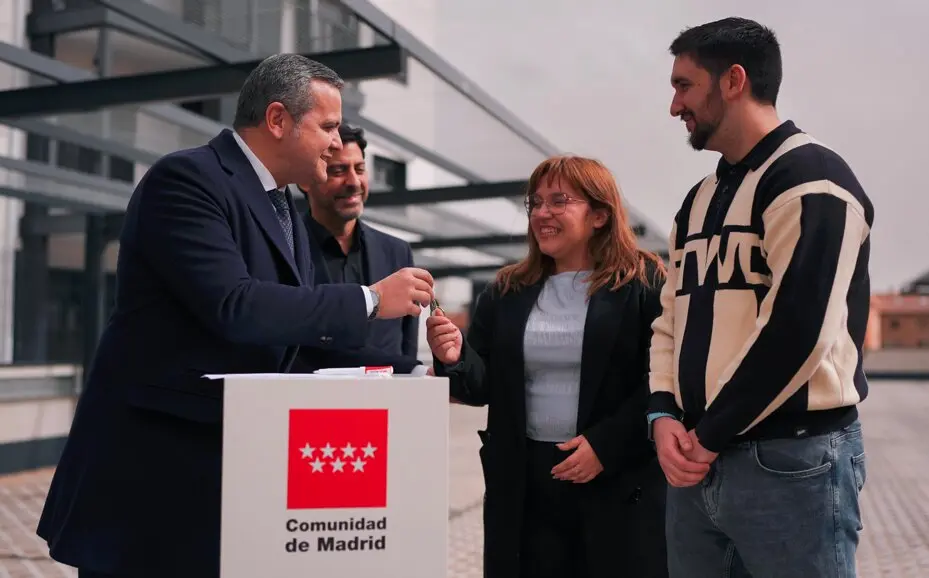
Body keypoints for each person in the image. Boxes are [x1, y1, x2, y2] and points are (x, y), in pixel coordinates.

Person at [35, 54, 434, 578]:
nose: (338, 144)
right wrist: (372, 299)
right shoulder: (186, 179)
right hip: (152, 485)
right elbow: (236, 306)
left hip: (218, 483)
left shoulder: (283, 206)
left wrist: (415, 375)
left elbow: (296, 334)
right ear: (276, 120)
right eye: (329, 127)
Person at [648, 17, 873, 578]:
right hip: (695, 463)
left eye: (683, 85)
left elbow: (799, 333)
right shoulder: (698, 201)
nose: (674, 106)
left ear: (733, 81)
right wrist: (661, 413)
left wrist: (708, 433)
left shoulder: (813, 179)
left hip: (790, 463)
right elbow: (668, 319)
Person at [428, 156, 669, 578]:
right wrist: (453, 357)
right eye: (535, 203)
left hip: (614, 475)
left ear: (599, 214)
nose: (542, 213)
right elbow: (482, 384)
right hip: (525, 479)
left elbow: (663, 376)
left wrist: (606, 446)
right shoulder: (507, 289)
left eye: (559, 201)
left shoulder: (643, 281)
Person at [290, 123, 422, 374]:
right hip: (310, 405)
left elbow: (407, 345)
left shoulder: (397, 252)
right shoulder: (286, 247)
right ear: (307, 181)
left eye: (360, 169)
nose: (353, 182)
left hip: (385, 406)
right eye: (339, 170)